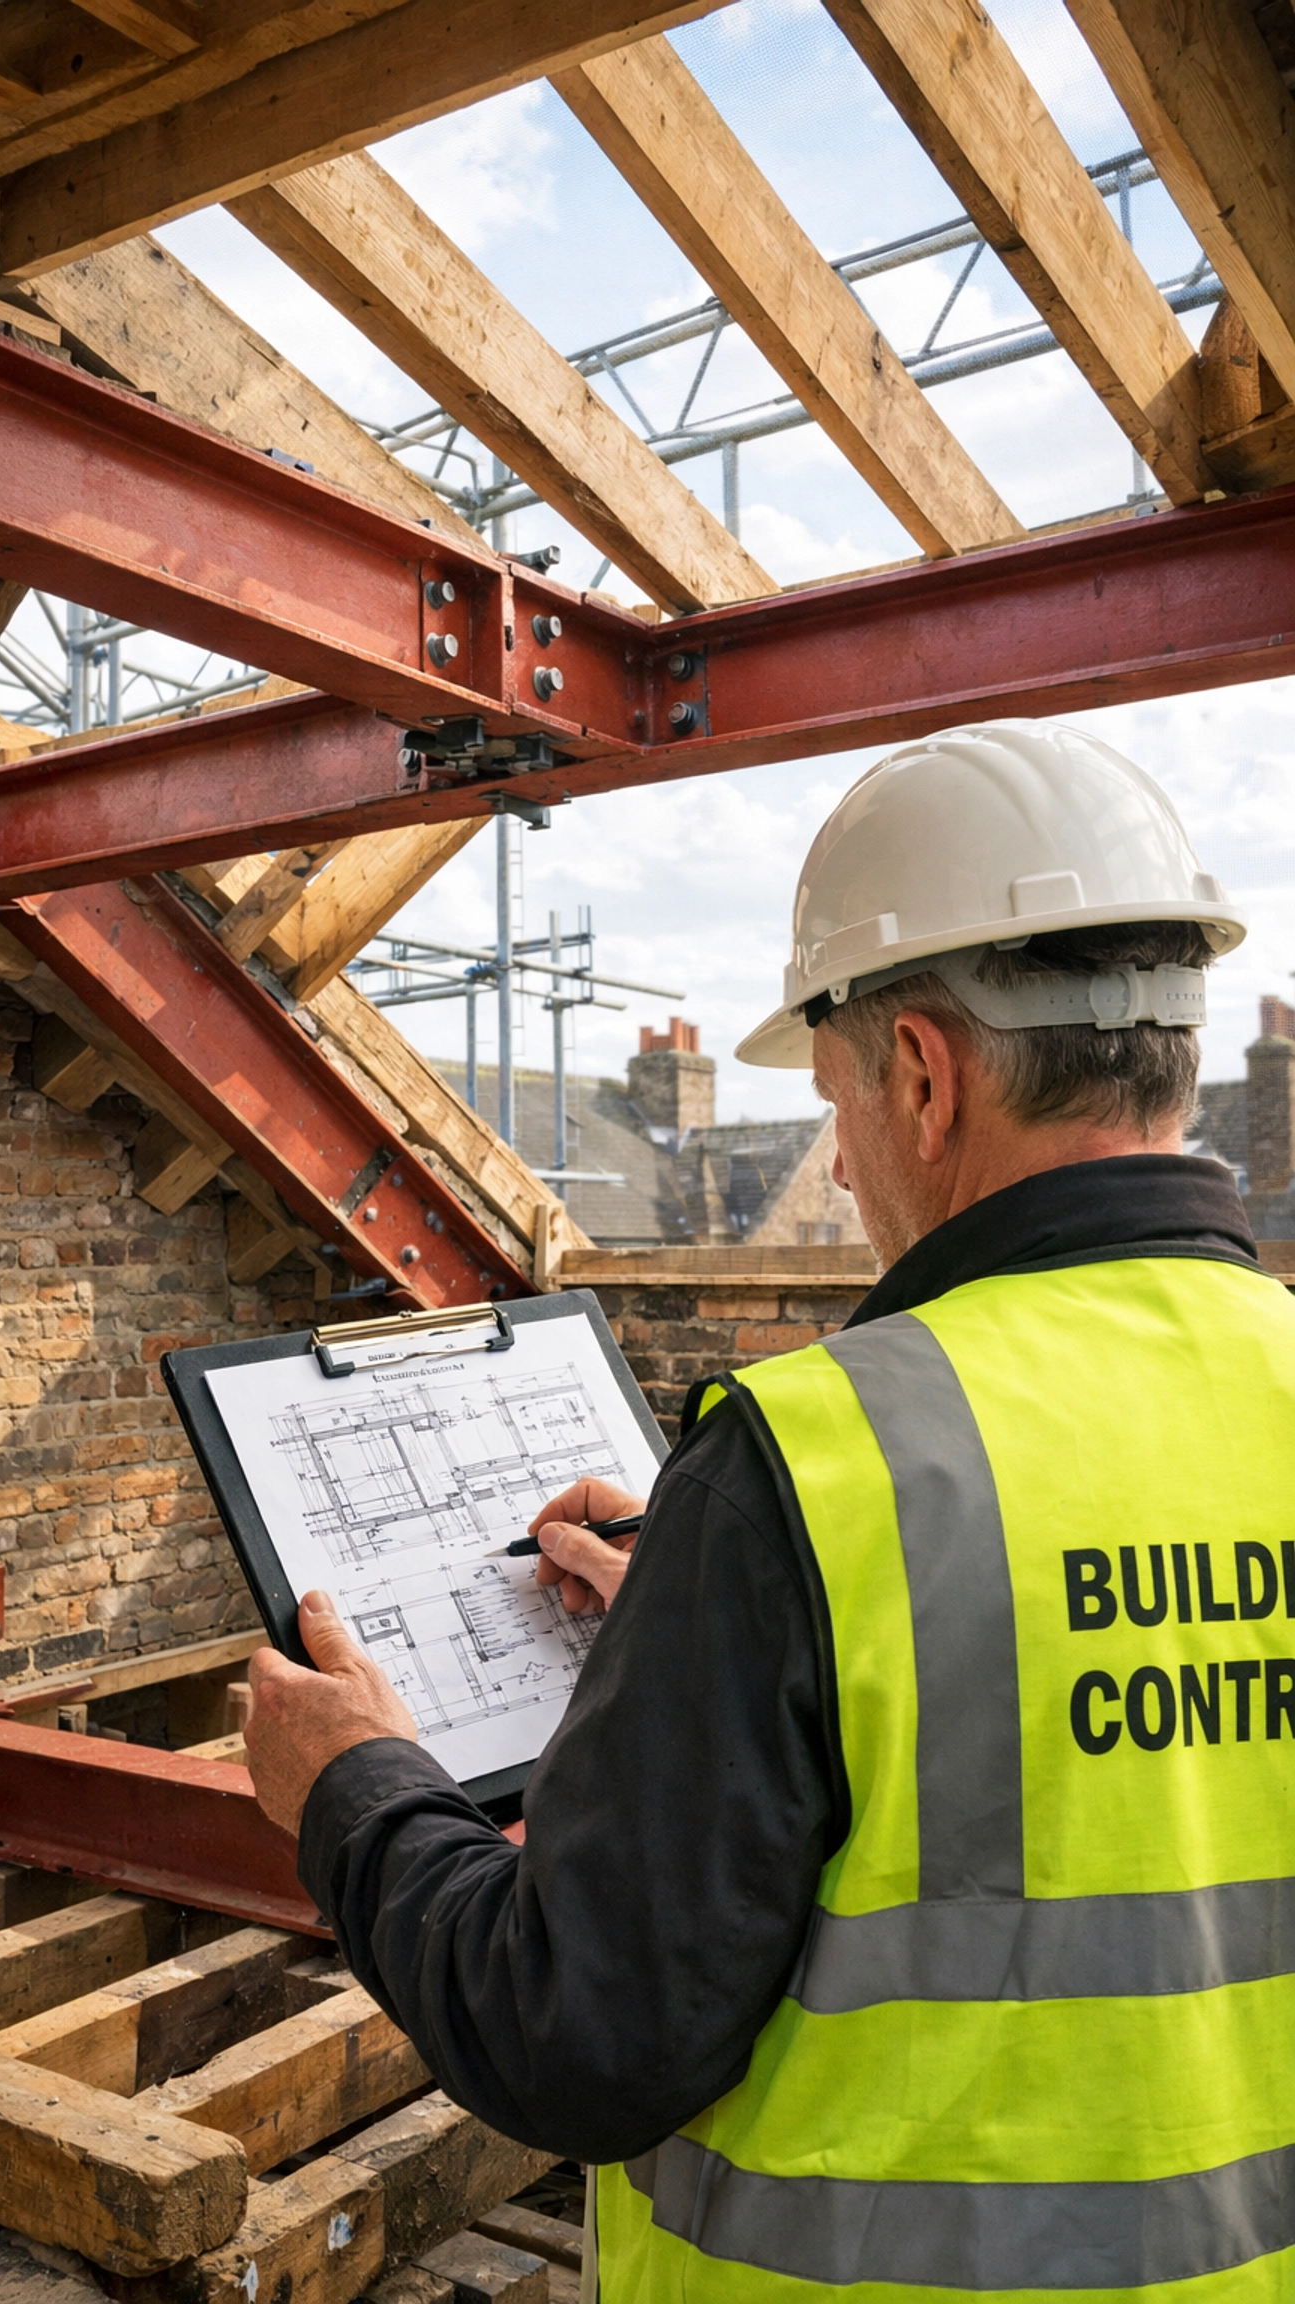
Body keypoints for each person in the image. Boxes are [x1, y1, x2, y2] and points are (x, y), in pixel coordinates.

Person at [242, 720, 1295, 2297]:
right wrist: (727, 1614)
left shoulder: (813, 1465)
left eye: (833, 1101)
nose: (843, 1169)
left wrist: (354, 1787)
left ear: (923, 1076)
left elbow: (569, 2033)